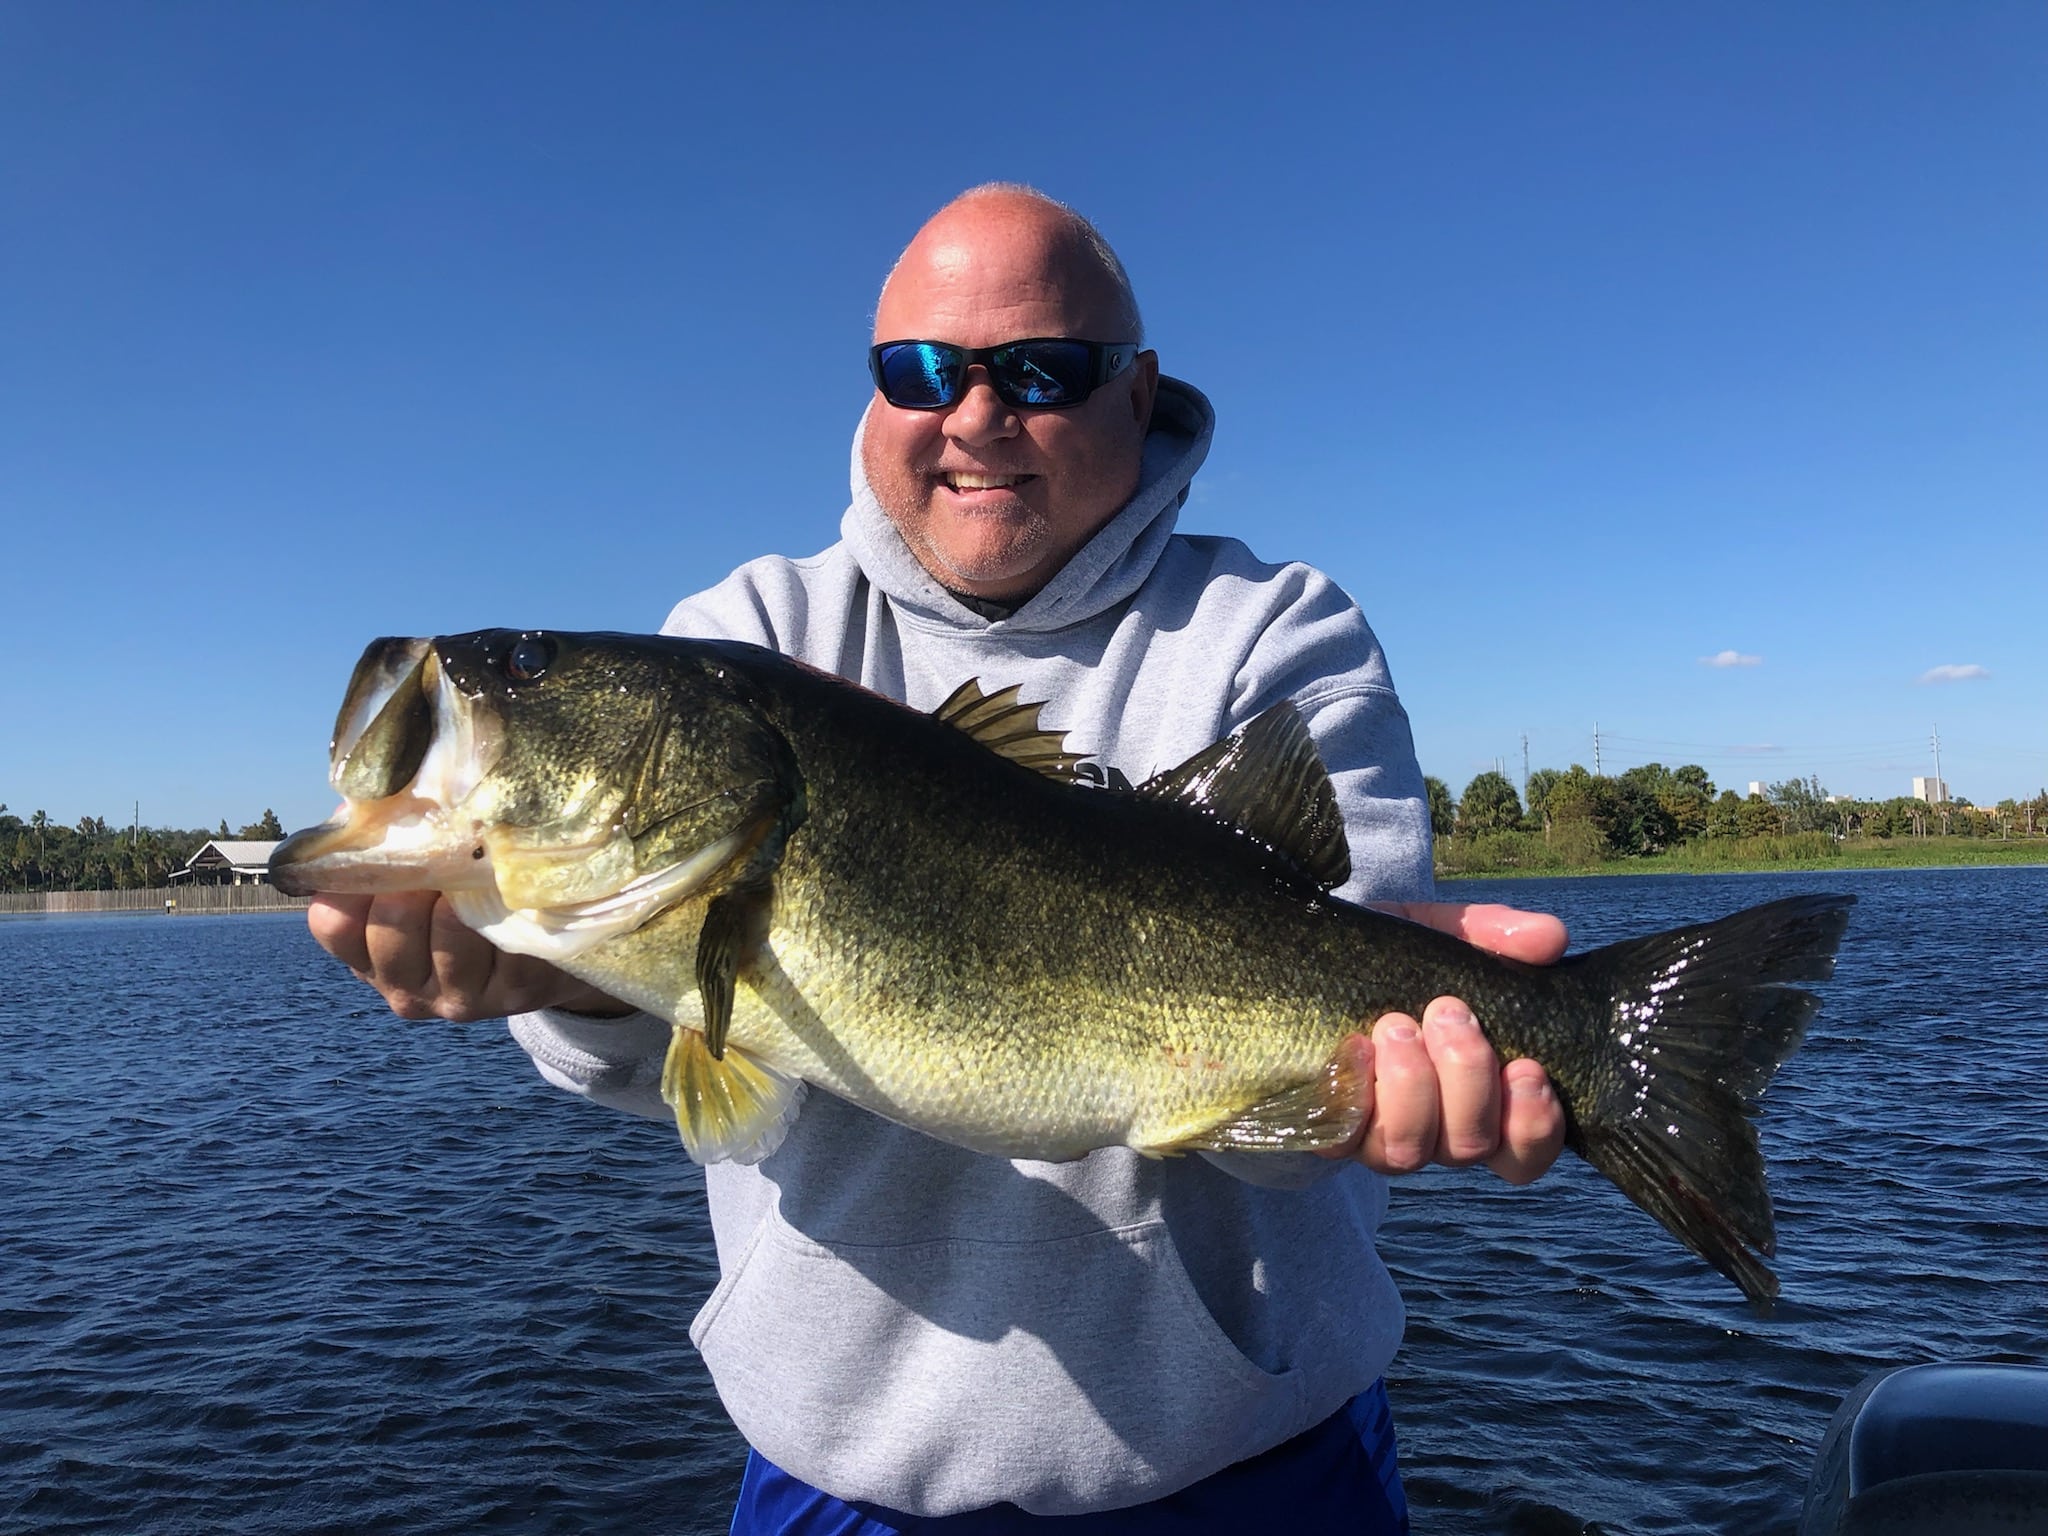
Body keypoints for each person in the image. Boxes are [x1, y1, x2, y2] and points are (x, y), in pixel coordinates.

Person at [307, 184, 1569, 1534]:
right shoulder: (745, 632)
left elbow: (1315, 1092)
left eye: (1042, 371)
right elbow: (681, 1076)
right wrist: (556, 983)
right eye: (920, 372)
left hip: (1257, 1471)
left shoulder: (1276, 633)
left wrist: (1370, 1093)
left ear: (1138, 397)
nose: (975, 416)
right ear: (871, 398)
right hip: (844, 1481)